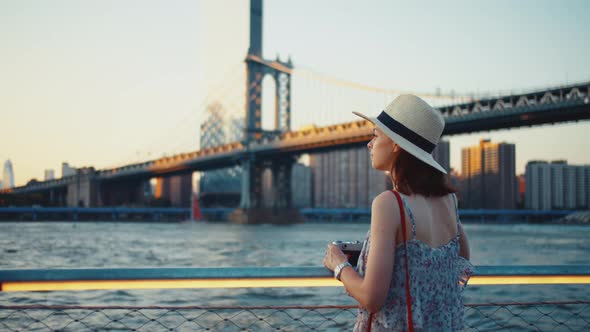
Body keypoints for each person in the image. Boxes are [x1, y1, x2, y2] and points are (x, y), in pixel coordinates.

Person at [323, 94, 474, 331]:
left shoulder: (389, 204)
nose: (369, 144)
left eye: (375, 135)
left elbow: (372, 299)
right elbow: (462, 262)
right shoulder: (449, 201)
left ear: (395, 144)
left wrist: (339, 265)